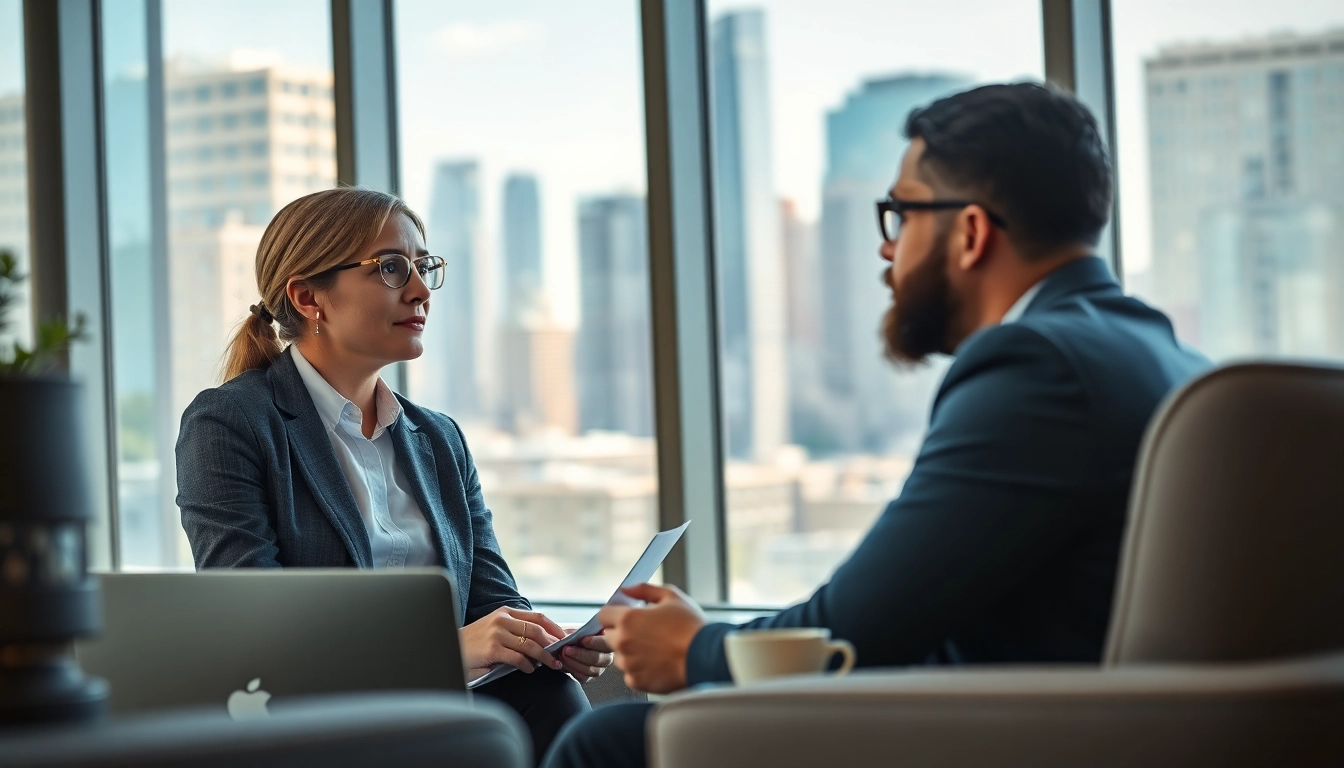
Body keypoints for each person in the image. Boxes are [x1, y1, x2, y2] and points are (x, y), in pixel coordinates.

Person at [541, 82, 1212, 768]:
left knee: (608, 743)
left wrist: (693, 650)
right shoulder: (1169, 358)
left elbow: (858, 633)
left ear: (972, 233)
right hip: (1088, 724)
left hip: (1014, 738)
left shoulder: (1036, 366)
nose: (887, 251)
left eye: (902, 215)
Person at [175, 188, 612, 763]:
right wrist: (441, 651)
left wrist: (546, 643)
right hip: (315, 721)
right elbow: (256, 631)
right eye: (390, 268)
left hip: (442, 710)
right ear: (309, 298)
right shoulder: (230, 423)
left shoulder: (439, 439)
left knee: (555, 693)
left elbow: (491, 599)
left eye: (423, 267)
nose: (420, 290)